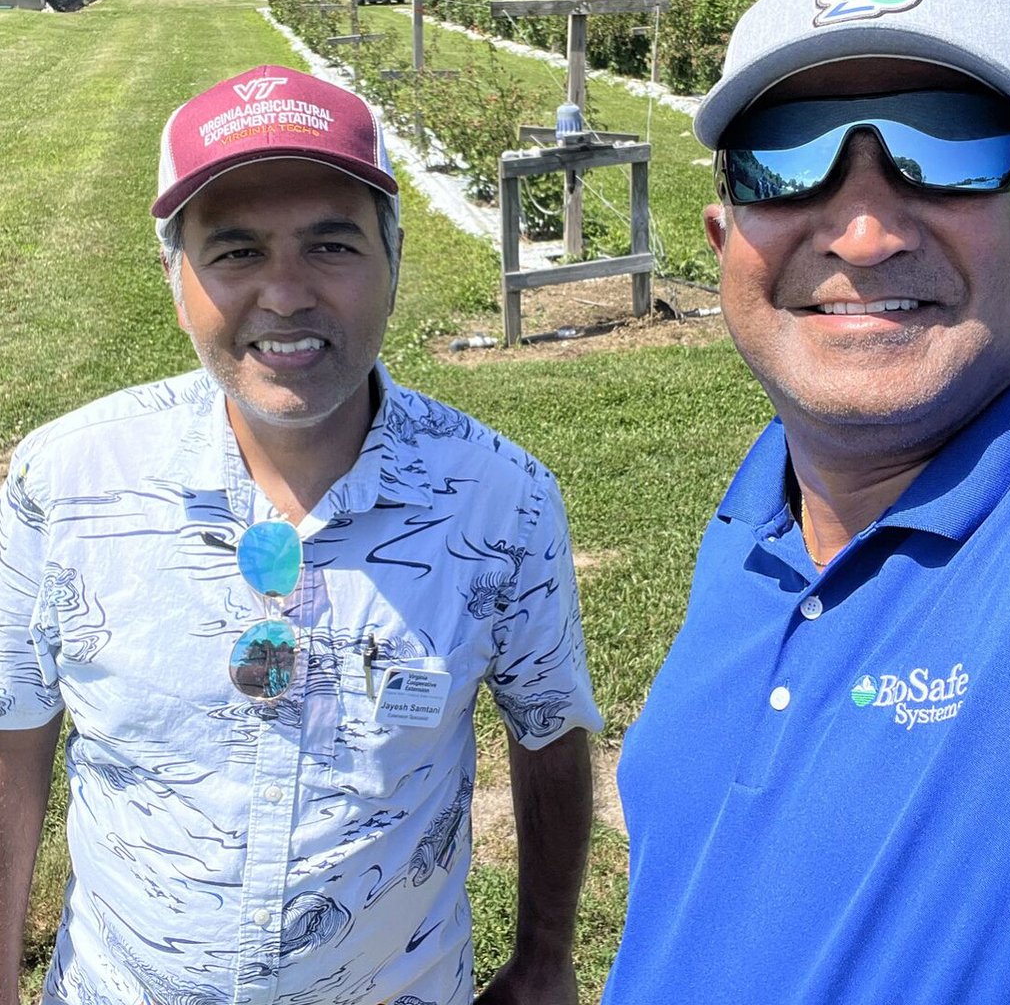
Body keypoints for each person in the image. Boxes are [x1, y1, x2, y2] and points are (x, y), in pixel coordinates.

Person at [603, 0, 1010, 1002]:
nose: (866, 231)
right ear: (724, 236)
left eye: (951, 144)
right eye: (788, 155)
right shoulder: (759, 523)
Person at [0, 65, 603, 1005]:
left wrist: (544, 960)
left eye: (331, 245)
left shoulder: (502, 500)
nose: (285, 295)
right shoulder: (67, 483)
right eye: (235, 252)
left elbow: (550, 729)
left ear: (394, 263)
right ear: (175, 280)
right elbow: (15, 733)